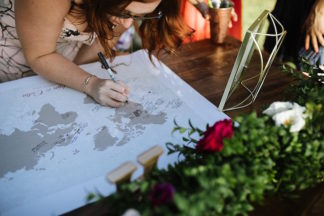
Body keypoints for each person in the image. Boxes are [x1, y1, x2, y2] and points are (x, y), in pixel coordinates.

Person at [0, 0, 192, 107]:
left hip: (62, 60)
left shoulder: (118, 10)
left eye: (137, 17)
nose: (128, 25)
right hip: (11, 59)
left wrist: (88, 80)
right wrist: (90, 84)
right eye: (125, 14)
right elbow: (40, 56)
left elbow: (91, 55)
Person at [265, 0, 324, 67]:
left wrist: (320, 9)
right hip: (287, 7)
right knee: (269, 63)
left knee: (309, 72)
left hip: (315, 14)